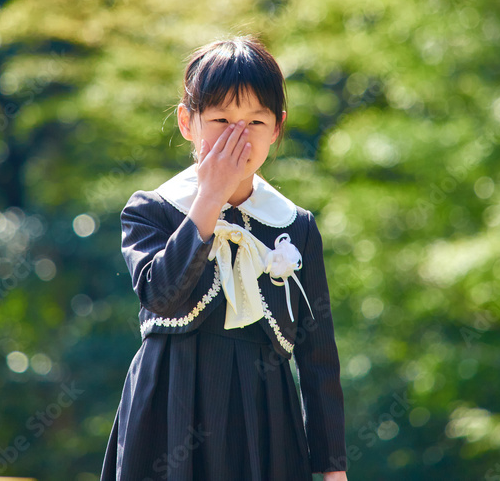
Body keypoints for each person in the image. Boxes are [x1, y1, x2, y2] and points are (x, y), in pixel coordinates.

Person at [101, 36, 348, 481]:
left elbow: (318, 356)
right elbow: (161, 295)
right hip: (171, 408)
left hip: (266, 413)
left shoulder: (297, 226)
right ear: (186, 123)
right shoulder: (152, 210)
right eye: (220, 118)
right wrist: (210, 198)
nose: (238, 135)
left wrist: (332, 468)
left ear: (276, 130)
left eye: (255, 120)